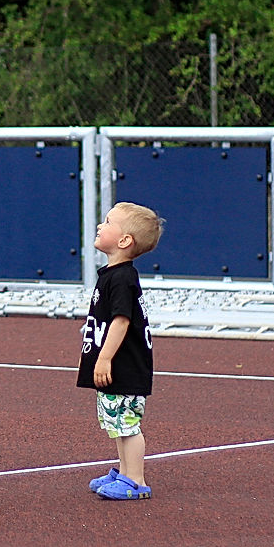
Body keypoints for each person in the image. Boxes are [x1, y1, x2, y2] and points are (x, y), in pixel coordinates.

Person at [76, 201, 165, 500]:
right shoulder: (111, 274)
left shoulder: (123, 277)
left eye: (108, 221)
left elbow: (121, 320)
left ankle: (136, 481)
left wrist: (104, 358)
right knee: (117, 423)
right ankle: (124, 472)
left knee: (127, 424)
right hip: (117, 366)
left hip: (125, 366)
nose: (101, 225)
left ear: (125, 240)